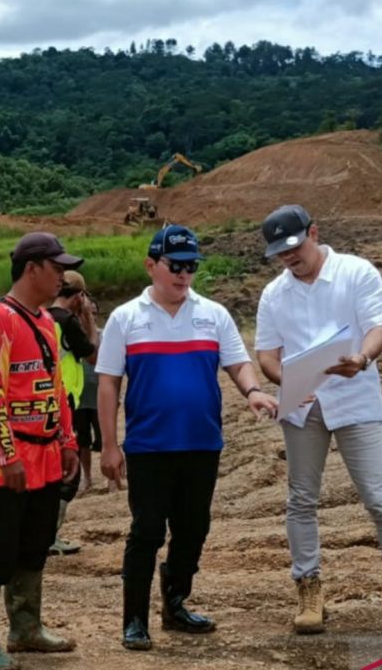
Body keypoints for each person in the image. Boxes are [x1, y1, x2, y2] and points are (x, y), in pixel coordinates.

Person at [97, 224, 278, 651]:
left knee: (193, 528)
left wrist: (252, 391)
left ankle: (175, 603)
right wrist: (108, 445)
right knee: (146, 532)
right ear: (151, 265)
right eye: (175, 266)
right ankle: (135, 619)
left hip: (201, 443)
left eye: (191, 267)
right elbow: (108, 385)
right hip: (148, 446)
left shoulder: (213, 314)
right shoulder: (126, 318)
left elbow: (237, 363)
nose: (183, 275)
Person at [254, 205, 382, 637]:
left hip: (354, 398)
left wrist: (363, 357)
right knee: (301, 499)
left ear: (313, 232)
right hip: (302, 406)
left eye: (294, 248)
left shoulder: (357, 273)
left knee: (379, 496)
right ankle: (308, 588)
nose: (289, 258)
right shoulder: (274, 295)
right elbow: (266, 356)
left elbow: (378, 327)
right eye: (280, 253)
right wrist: (289, 380)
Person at [0, 231, 83, 670]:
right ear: (32, 268)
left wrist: (67, 442)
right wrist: (6, 454)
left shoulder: (48, 322)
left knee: (35, 543)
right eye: (56, 268)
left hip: (47, 455)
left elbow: (56, 389)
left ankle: (26, 628)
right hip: (5, 461)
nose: (63, 276)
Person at [46, 269, 98, 555]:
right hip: (67, 401)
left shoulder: (40, 316)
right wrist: (88, 320)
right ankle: (49, 534)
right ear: (78, 296)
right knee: (69, 474)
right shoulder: (66, 321)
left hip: (46, 402)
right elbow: (93, 355)